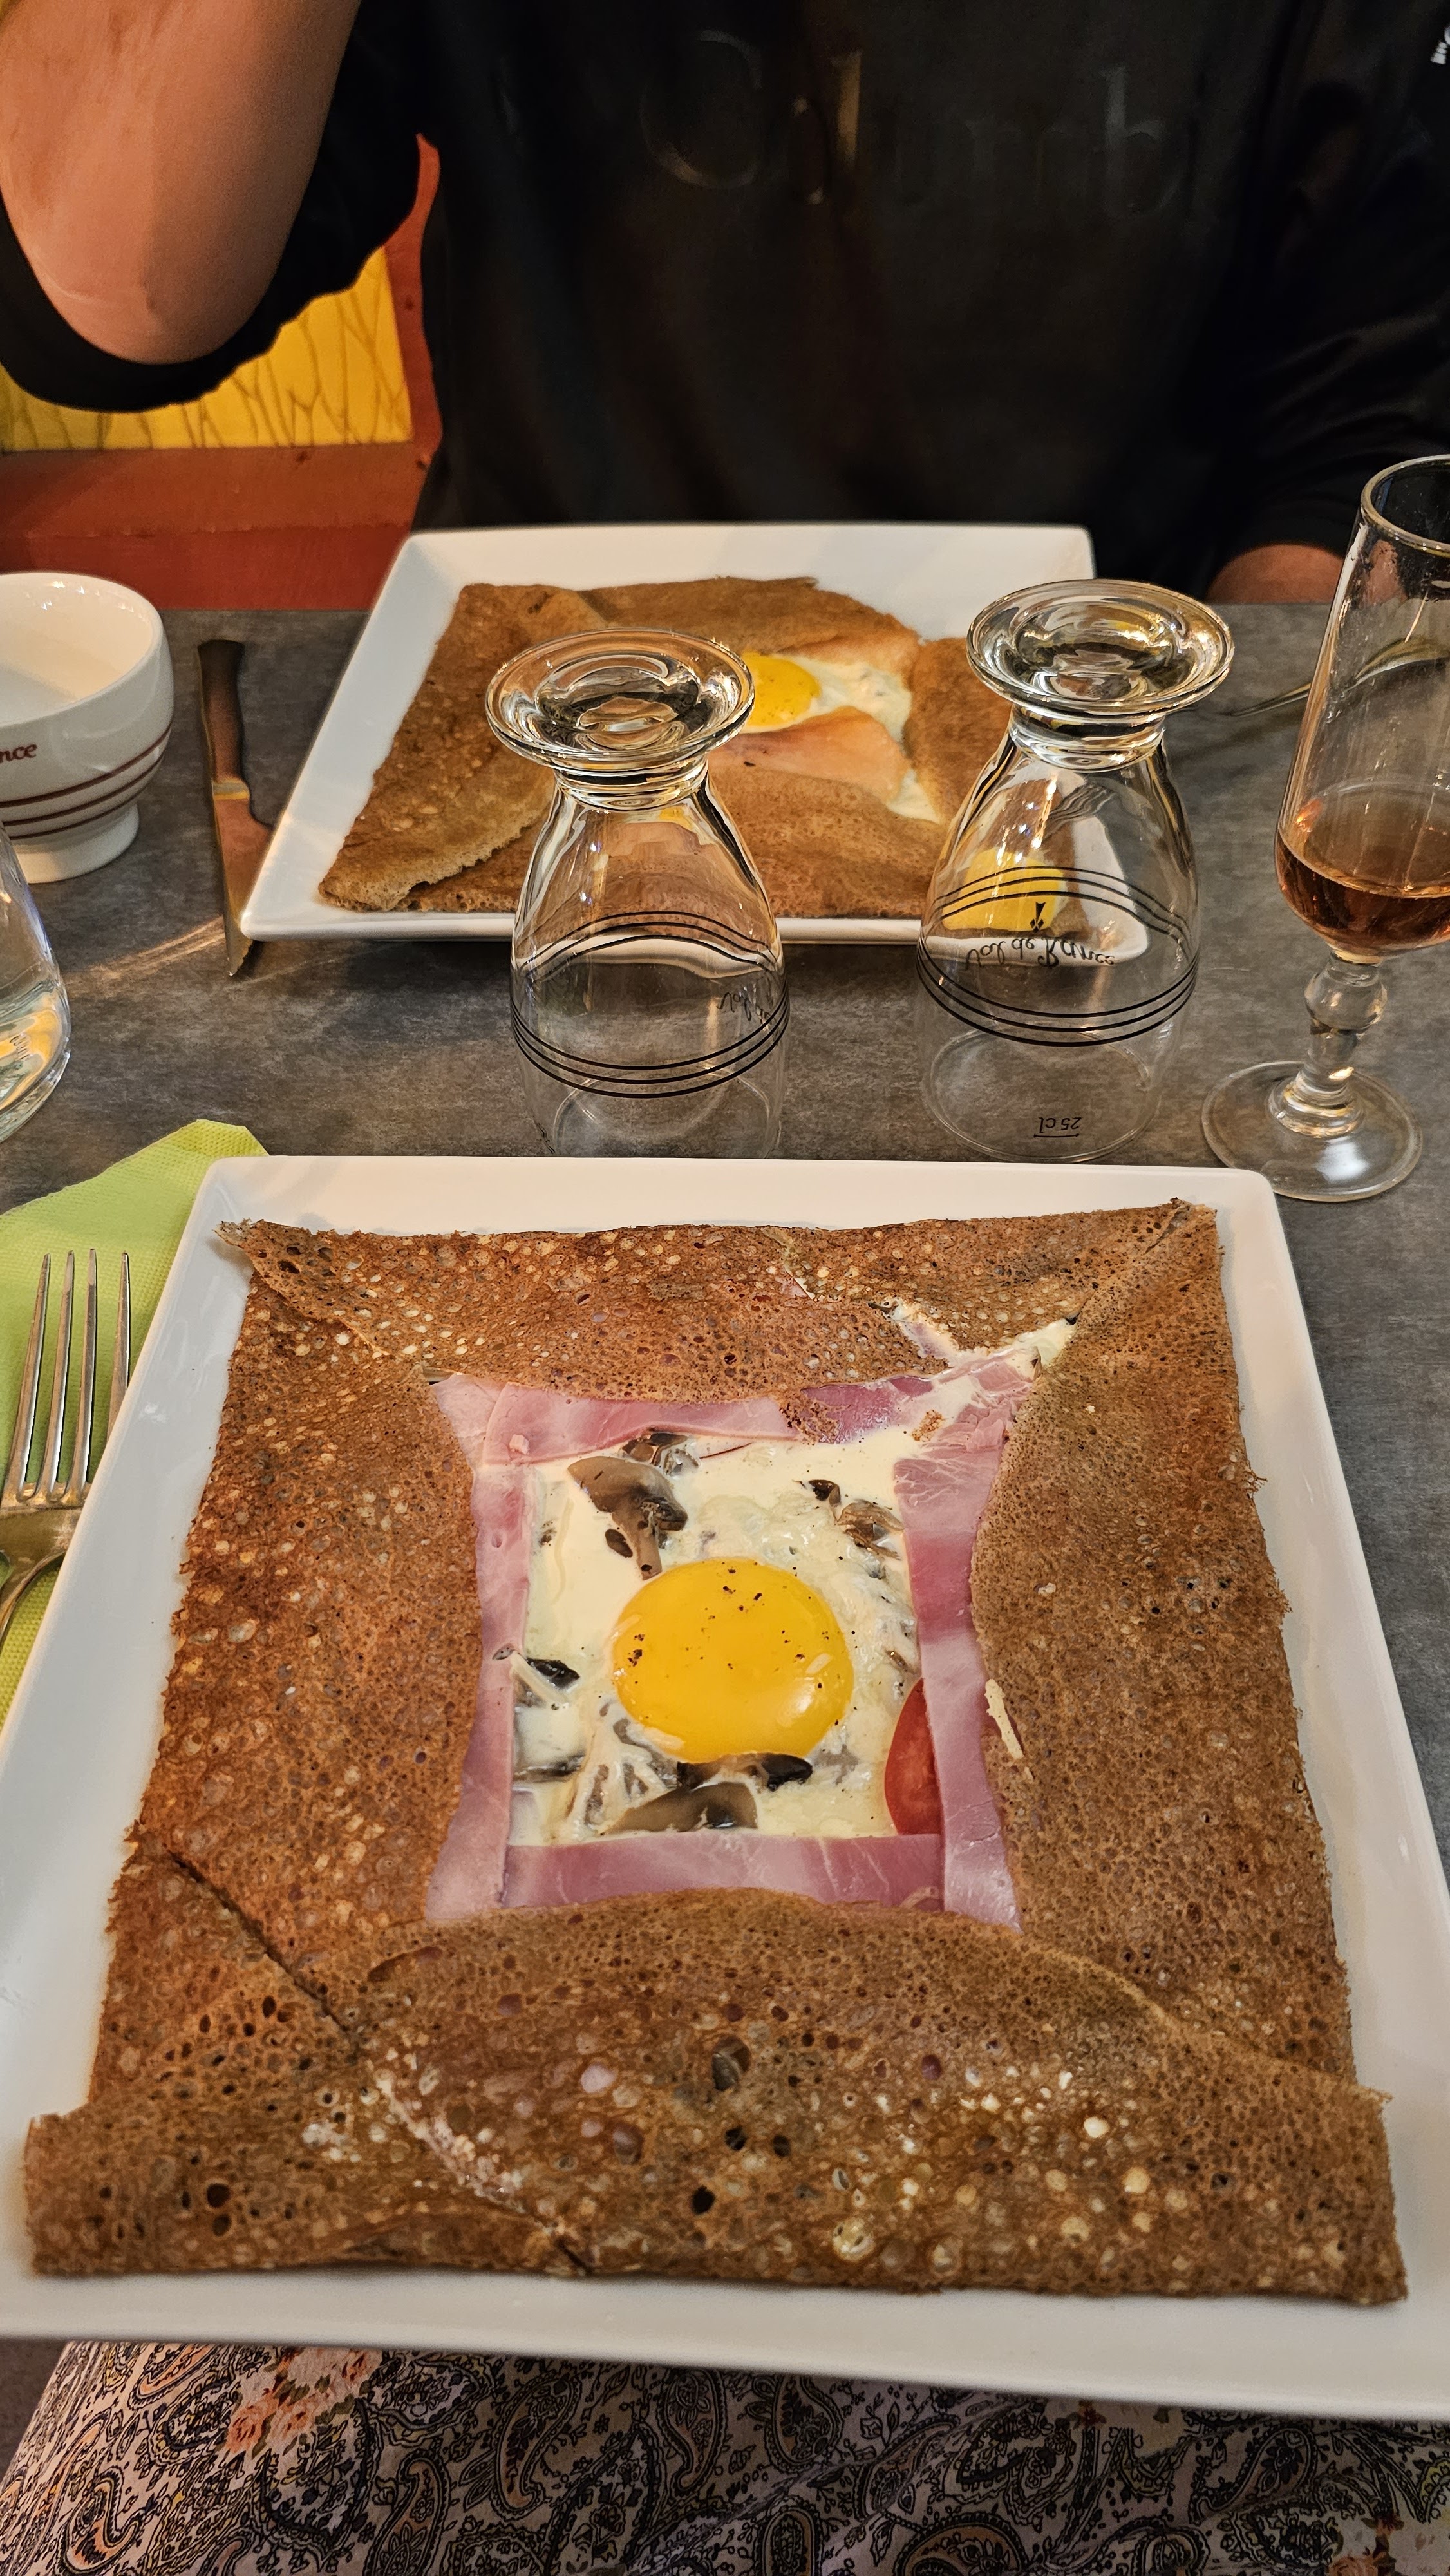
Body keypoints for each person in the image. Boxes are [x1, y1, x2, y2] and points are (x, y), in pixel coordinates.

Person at [0, 3, 1447, 603]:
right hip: (538, 667)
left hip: (1091, 703)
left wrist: (1212, 848)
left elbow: (1353, 456)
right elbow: (100, 320)